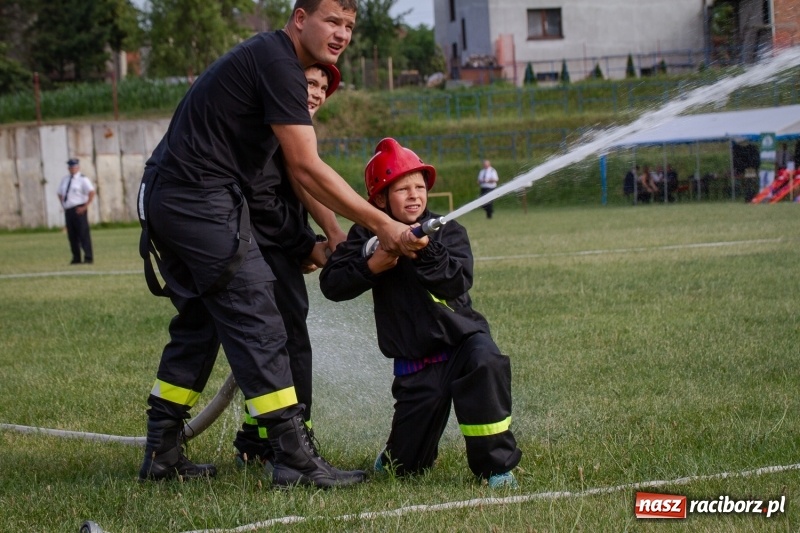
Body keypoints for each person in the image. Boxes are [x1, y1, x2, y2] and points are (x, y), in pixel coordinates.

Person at [136, 0, 426, 489]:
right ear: (300, 18)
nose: (341, 34)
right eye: (332, 21)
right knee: (259, 315)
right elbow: (307, 166)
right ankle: (291, 457)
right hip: (196, 198)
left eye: (349, 26)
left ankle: (161, 452)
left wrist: (331, 235)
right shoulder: (279, 63)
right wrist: (384, 226)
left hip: (172, 195)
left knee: (201, 324)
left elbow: (292, 172)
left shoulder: (271, 62)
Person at [319, 138, 523, 489]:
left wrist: (424, 252)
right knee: (407, 469)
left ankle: (495, 467)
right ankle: (399, 455)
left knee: (486, 361)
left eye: (419, 187)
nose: (414, 195)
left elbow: (457, 280)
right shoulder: (366, 235)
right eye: (402, 189)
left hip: (462, 344)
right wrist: (373, 264)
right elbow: (332, 284)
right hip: (416, 363)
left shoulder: (447, 231)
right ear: (380, 199)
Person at [233, 62, 346, 468]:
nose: (316, 92)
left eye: (322, 87)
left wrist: (330, 233)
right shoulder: (272, 129)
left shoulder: (290, 131)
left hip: (270, 247)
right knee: (287, 342)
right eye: (308, 83)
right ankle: (296, 441)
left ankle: (258, 437)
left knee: (272, 343)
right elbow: (262, 200)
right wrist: (306, 244)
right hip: (260, 249)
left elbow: (305, 184)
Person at [57, 158, 95, 265]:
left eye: (74, 167)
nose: (72, 168)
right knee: (72, 235)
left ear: (78, 167)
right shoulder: (65, 179)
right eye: (70, 167)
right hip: (69, 210)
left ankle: (88, 257)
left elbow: (91, 192)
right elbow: (59, 193)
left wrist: (85, 206)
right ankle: (76, 258)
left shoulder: (83, 179)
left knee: (83, 234)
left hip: (79, 210)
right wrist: (63, 204)